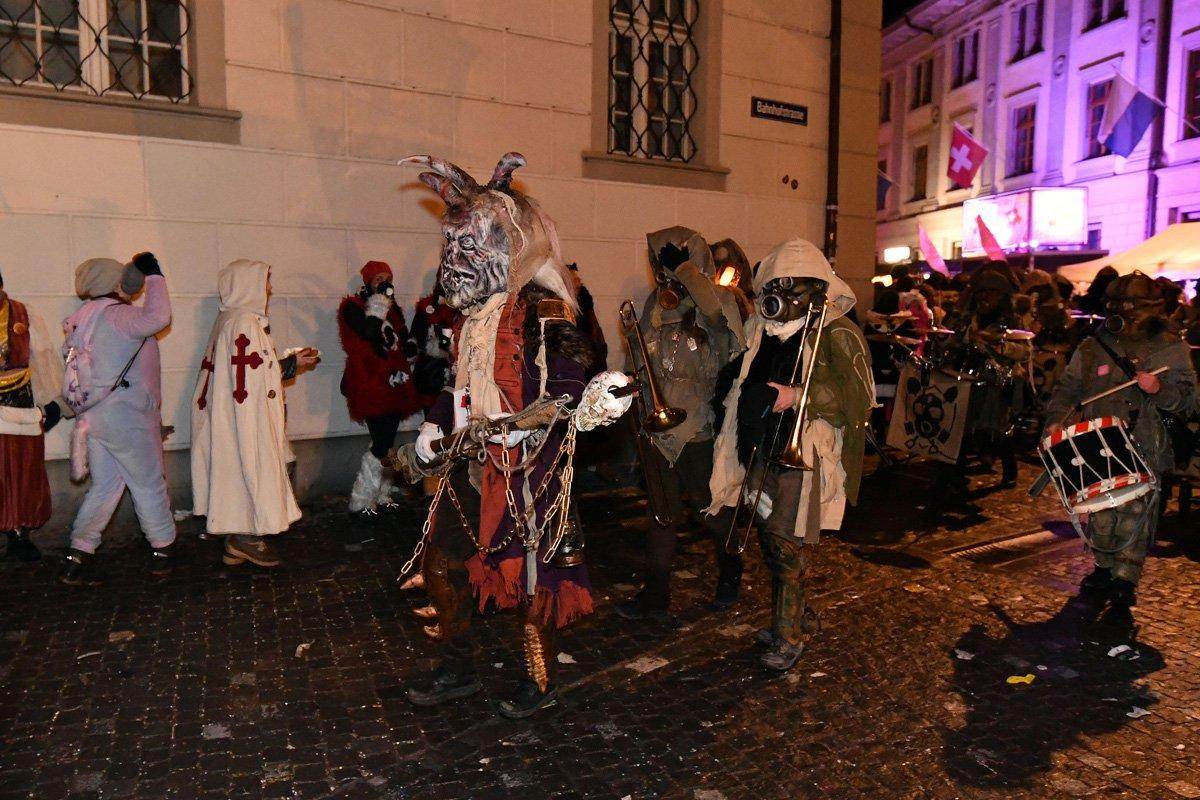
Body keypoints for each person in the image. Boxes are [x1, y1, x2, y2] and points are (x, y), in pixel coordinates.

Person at [397, 152, 602, 719]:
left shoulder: (545, 312)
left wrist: (526, 425)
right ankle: (457, 667)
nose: (457, 260)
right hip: (470, 466)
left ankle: (539, 679)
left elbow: (568, 386)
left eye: (471, 246)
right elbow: (459, 384)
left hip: (528, 472)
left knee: (531, 580)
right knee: (443, 564)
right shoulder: (472, 319)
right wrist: (435, 423)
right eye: (454, 246)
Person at [707, 238, 873, 672]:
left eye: (792, 286)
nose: (780, 297)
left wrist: (798, 395)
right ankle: (794, 616)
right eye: (775, 285)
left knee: (783, 543)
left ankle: (789, 634)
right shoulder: (762, 330)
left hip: (802, 453)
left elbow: (858, 398)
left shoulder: (837, 332)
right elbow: (743, 373)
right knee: (768, 537)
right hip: (761, 447)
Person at [616, 225, 747, 622]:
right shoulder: (655, 303)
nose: (666, 271)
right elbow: (639, 352)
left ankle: (731, 573)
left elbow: (718, 322)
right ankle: (655, 594)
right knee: (661, 514)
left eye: (674, 261)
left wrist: (688, 272)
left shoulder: (719, 298)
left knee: (711, 509)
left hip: (698, 427)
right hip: (657, 428)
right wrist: (627, 389)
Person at [1044, 272, 1197, 607]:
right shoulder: (1093, 346)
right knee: (1100, 509)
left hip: (1144, 441)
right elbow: (1068, 389)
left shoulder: (1170, 348)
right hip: (1097, 441)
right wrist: (1057, 420)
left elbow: (1188, 402)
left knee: (1135, 513)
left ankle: (1126, 578)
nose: (1124, 318)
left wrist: (1159, 389)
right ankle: (1102, 567)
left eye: (1133, 310)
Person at [191, 259, 319, 569]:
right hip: (246, 417)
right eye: (266, 282)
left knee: (236, 469)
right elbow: (251, 376)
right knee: (249, 467)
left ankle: (237, 540)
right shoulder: (245, 323)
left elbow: (255, 369)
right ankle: (247, 537)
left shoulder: (228, 319)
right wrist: (291, 365)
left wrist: (289, 363)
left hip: (234, 415)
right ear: (248, 285)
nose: (270, 289)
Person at [61, 254, 175, 584]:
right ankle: (163, 550)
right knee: (149, 483)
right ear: (115, 281)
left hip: (95, 419)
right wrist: (154, 276)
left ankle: (78, 553)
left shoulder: (81, 318)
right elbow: (159, 317)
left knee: (106, 487)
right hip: (129, 418)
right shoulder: (118, 316)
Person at [339, 261, 421, 516]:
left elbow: (401, 339)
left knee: (385, 440)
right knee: (381, 441)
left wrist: (412, 346)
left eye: (388, 278)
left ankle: (382, 491)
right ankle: (361, 498)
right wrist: (379, 303)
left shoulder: (393, 309)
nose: (384, 283)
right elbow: (368, 332)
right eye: (378, 279)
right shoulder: (352, 306)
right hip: (369, 383)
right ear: (367, 282)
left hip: (394, 382)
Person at [0, 270, 64, 562]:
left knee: (23, 471)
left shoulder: (24, 315)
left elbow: (44, 358)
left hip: (21, 407)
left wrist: (54, 403)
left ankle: (20, 534)